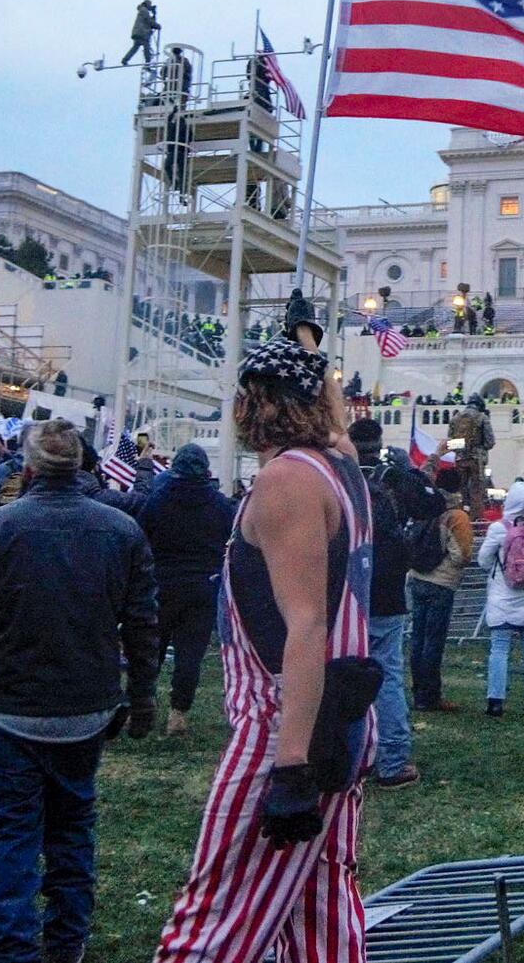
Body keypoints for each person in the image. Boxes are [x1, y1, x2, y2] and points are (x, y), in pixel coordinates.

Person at [153, 339, 379, 962]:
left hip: (285, 723)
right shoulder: (342, 467)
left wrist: (290, 768)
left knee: (212, 926)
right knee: (321, 913)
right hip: (343, 713)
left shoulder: (287, 480)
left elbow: (305, 627)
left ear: (252, 404)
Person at [0, 419, 159, 963]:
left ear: (26, 469)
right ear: (80, 467)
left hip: (15, 710)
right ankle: (65, 945)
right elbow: (142, 623)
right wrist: (141, 694)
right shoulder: (119, 531)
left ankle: (13, 950)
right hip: (84, 710)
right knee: (72, 832)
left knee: (12, 837)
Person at [138, 443, 233, 738]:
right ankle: (178, 714)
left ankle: (143, 707)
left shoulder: (157, 501)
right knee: (190, 653)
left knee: (150, 650)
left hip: (161, 584)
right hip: (202, 587)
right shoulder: (220, 505)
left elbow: (141, 540)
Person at [349, 418, 419, 788]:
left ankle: (348, 757)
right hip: (388, 597)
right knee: (387, 678)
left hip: (350, 595)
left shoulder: (342, 482)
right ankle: (391, 759)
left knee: (344, 675)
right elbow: (430, 504)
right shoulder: (390, 485)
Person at [478, 482, 524, 718]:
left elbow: (483, 560)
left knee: (499, 649)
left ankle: (496, 701)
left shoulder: (499, 529)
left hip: (503, 595)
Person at [407, 466, 474, 712]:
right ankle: (430, 696)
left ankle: (417, 692)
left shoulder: (424, 507)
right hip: (441, 583)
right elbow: (462, 555)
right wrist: (443, 567)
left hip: (417, 577)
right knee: (434, 641)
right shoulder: (456, 516)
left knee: (417, 638)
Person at [447, 396, 495, 517]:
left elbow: (450, 441)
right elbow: (490, 441)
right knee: (477, 490)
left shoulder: (455, 419)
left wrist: (460, 450)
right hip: (476, 459)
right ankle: (476, 518)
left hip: (459, 459)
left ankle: (461, 515)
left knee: (460, 489)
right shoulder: (482, 417)